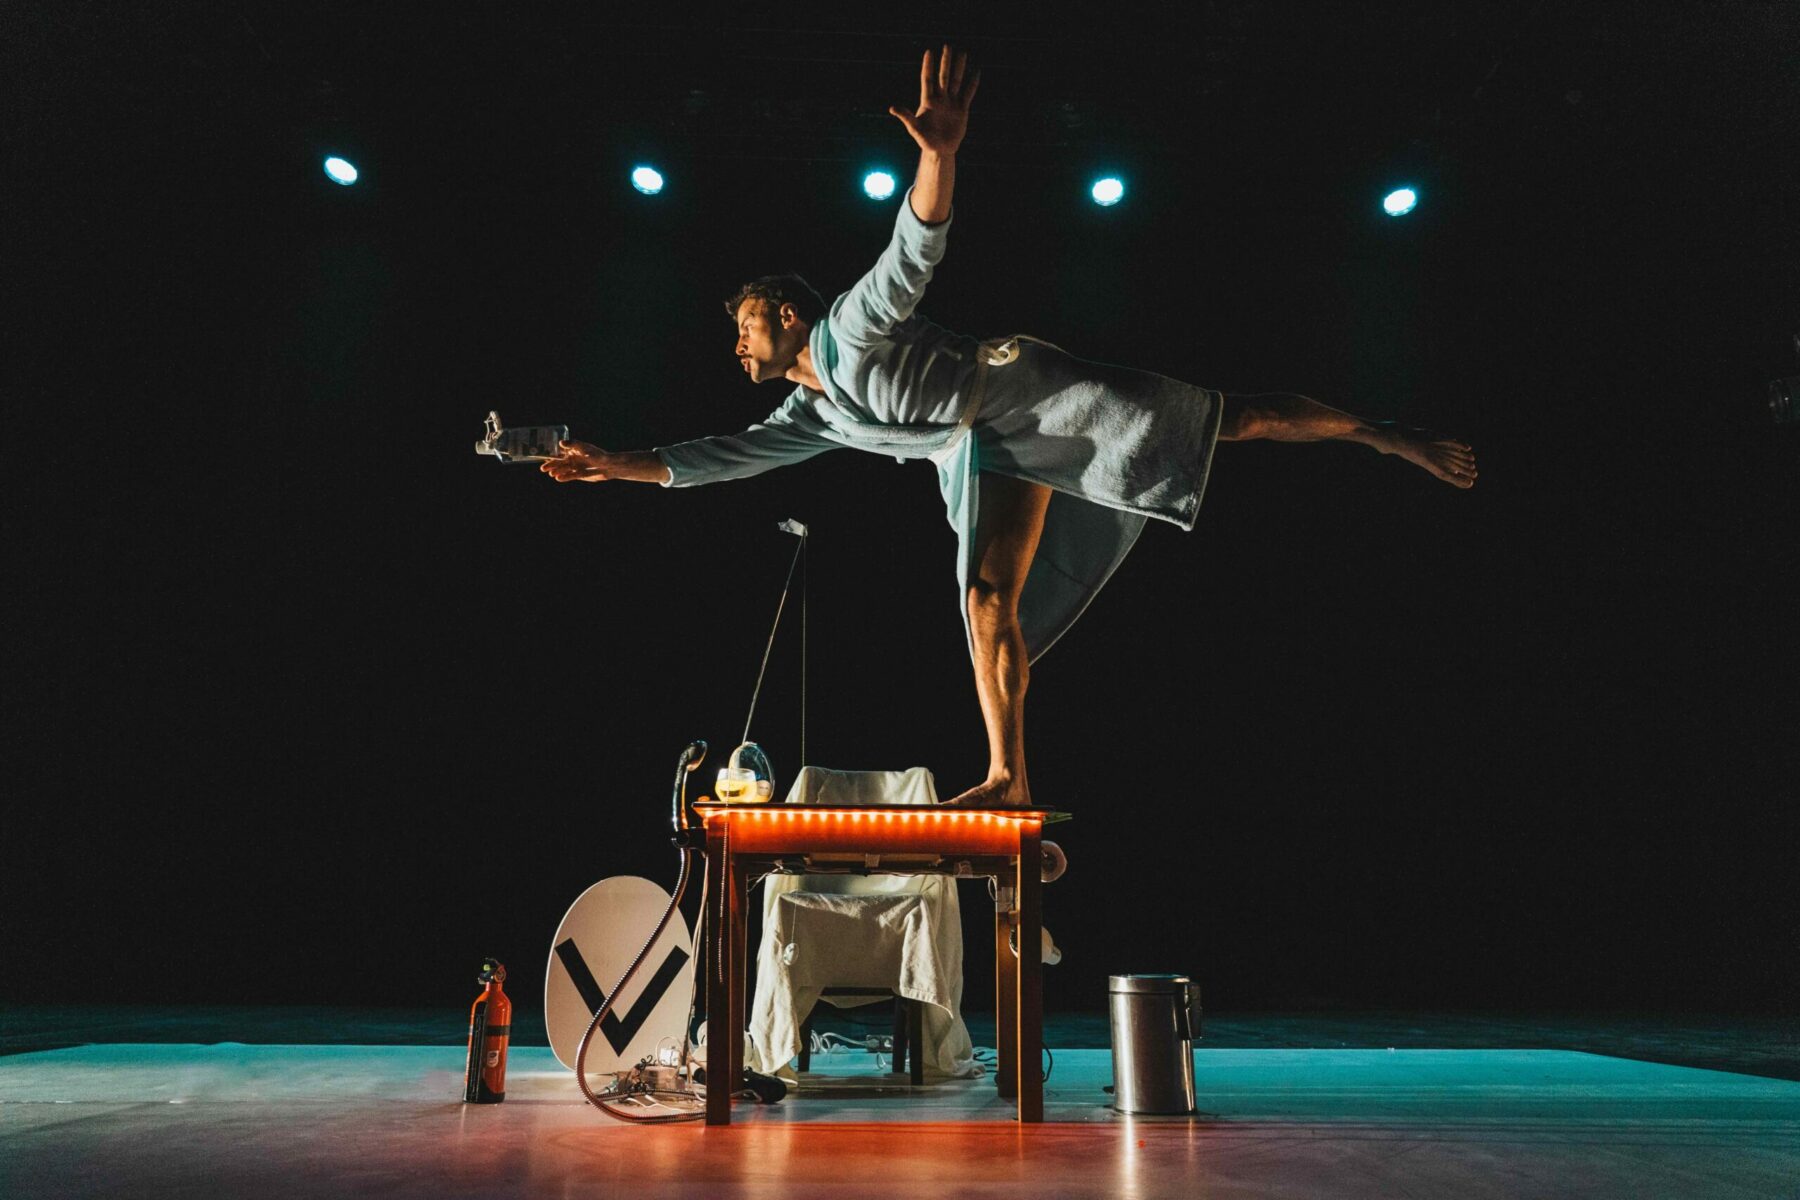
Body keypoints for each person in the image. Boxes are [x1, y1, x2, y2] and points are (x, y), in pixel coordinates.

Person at [543, 46, 1478, 807]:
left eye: (741, 326)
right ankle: (1009, 777)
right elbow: (722, 459)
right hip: (979, 453)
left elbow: (912, 249)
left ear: (786, 316)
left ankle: (1383, 433)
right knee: (986, 603)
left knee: (1237, 420)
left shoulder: (847, 326)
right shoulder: (810, 411)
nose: (734, 346)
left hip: (1026, 398)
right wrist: (610, 465)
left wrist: (939, 152)